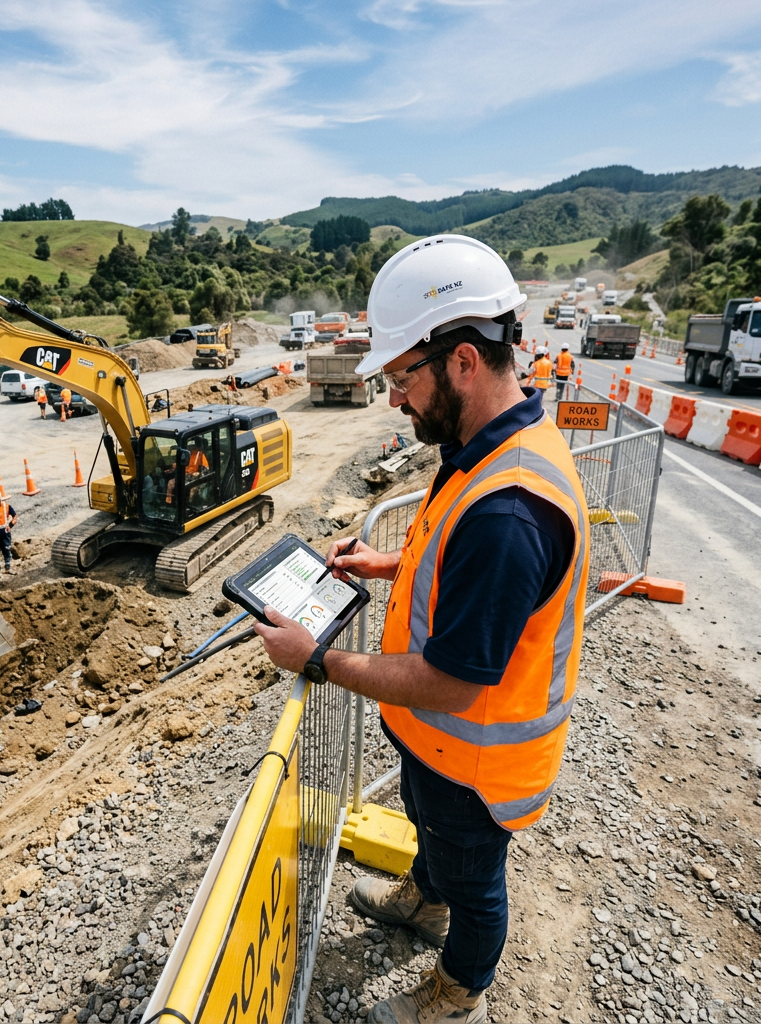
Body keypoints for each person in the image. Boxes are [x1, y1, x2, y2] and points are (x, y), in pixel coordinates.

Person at [253, 235, 590, 1024]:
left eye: (404, 377)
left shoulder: (510, 508)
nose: (397, 399)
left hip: (479, 766)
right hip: (439, 747)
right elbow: (452, 568)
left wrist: (319, 661)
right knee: (430, 839)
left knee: (476, 885)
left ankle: (459, 989)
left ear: (463, 361)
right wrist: (383, 565)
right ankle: (423, 896)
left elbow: (454, 676)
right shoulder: (484, 449)